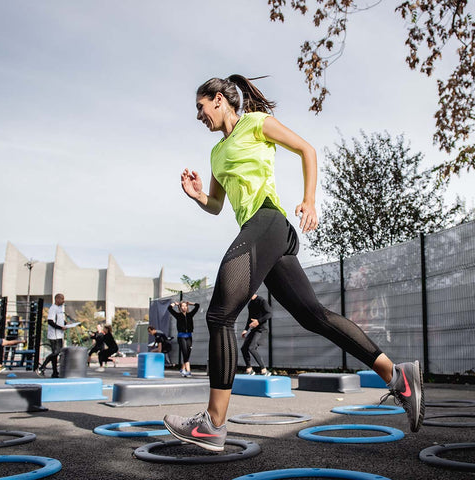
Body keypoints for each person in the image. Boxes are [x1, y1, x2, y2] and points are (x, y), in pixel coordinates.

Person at [163, 75, 424, 452]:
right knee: (313, 316)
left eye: (201, 107)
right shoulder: (216, 154)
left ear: (219, 100)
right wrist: (198, 194)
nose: (199, 116)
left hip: (268, 221)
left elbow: (307, 149)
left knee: (220, 316)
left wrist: (309, 199)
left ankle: (212, 424)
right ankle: (397, 375)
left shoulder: (255, 123)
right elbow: (218, 205)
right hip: (262, 234)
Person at [37, 293, 67, 378]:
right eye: (61, 299)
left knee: (57, 353)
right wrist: (60, 327)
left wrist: (65, 324)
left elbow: (59, 320)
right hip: (54, 335)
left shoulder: (60, 309)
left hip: (59, 335)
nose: (63, 301)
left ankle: (55, 372)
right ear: (57, 299)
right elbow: (50, 321)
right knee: (55, 352)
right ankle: (42, 367)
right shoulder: (53, 308)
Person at [241, 294, 271, 376]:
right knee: (244, 348)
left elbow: (269, 314)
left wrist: (258, 321)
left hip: (262, 330)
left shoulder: (262, 301)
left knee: (252, 348)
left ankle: (264, 369)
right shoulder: (250, 304)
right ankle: (249, 369)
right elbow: (250, 317)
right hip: (254, 330)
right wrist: (246, 329)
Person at [168, 301, 199, 377]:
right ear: (180, 308)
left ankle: (182, 369)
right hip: (181, 337)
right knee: (185, 353)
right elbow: (169, 308)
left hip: (189, 336)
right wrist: (175, 304)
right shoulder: (178, 315)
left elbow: (197, 306)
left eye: (185, 306)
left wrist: (190, 303)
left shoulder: (190, 315)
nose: (184, 307)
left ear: (187, 307)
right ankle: (188, 371)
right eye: (182, 306)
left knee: (188, 354)